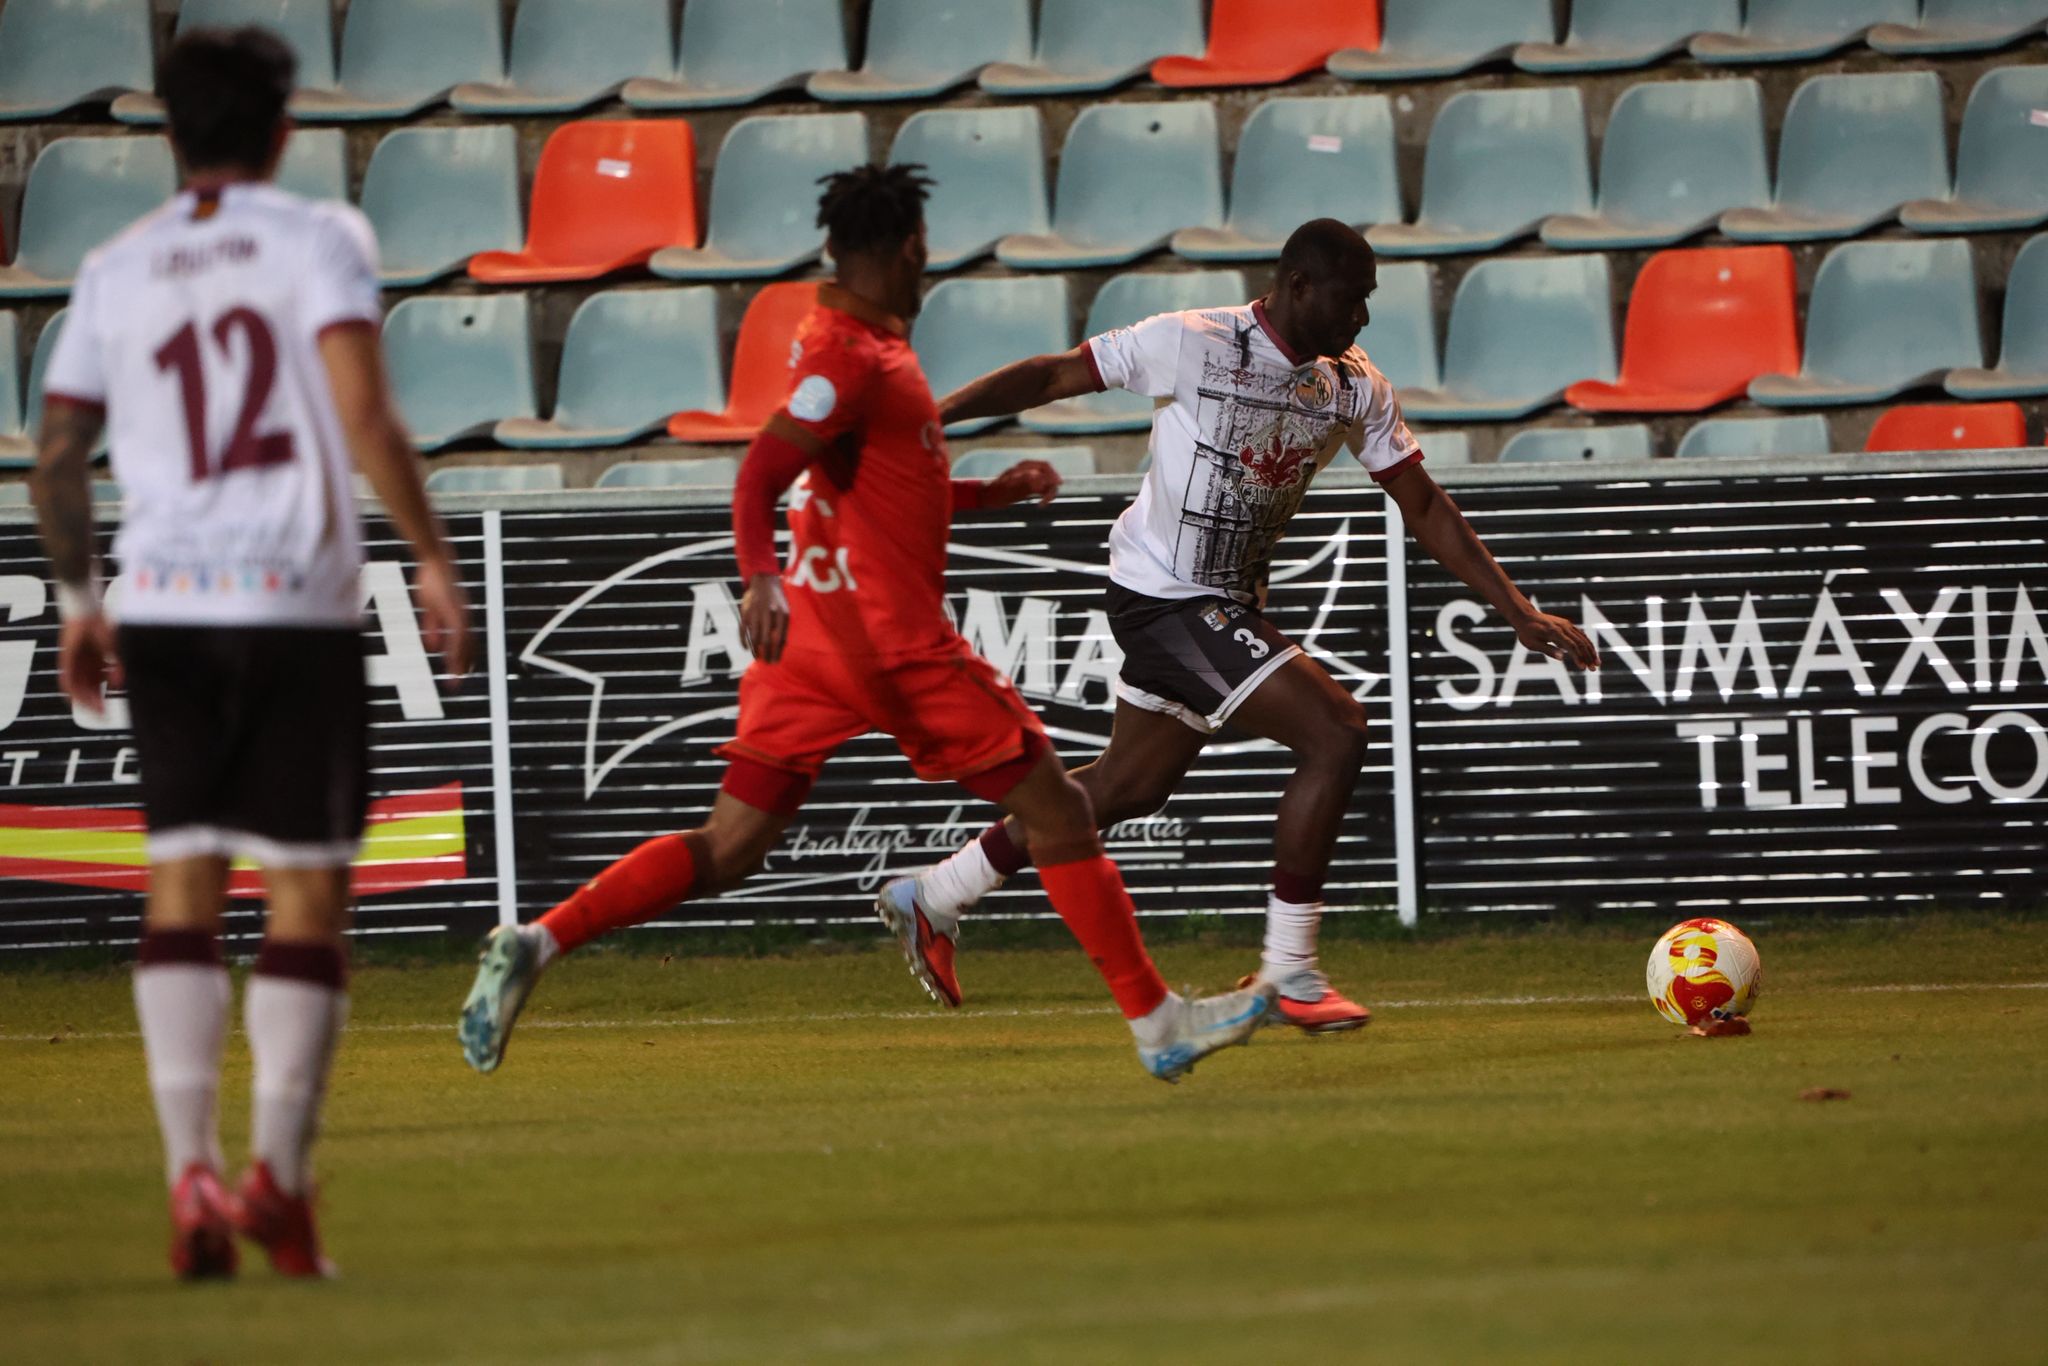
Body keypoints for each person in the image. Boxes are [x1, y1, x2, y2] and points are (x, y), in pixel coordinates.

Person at [458, 165, 1272, 1084]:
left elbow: (877, 490)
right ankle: (1157, 1022)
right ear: (903, 252)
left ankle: (537, 942)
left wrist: (982, 495)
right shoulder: (855, 359)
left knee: (727, 847)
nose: (930, 268)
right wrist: (757, 579)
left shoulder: (844, 341)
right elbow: (760, 476)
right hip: (889, 645)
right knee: (1060, 808)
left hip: (808, 652)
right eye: (923, 252)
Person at [879, 219, 1600, 1032]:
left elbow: (1422, 502)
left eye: (1368, 301)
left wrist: (1518, 611)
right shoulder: (1191, 341)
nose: (1361, 318)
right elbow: (1054, 374)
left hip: (1221, 604)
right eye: (1350, 298)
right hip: (1162, 595)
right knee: (1336, 731)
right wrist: (932, 423)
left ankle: (934, 895)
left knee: (1126, 785)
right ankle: (1291, 971)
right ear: (1297, 285)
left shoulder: (1353, 385)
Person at [29, 28, 473, 1280]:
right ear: (283, 131)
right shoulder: (318, 239)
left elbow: (56, 456)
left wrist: (79, 597)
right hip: (292, 601)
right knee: (304, 894)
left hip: (163, 601)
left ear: (169, 133)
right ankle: (275, 1180)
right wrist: (431, 555)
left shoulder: (115, 266)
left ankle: (189, 1175)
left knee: (180, 881)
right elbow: (360, 408)